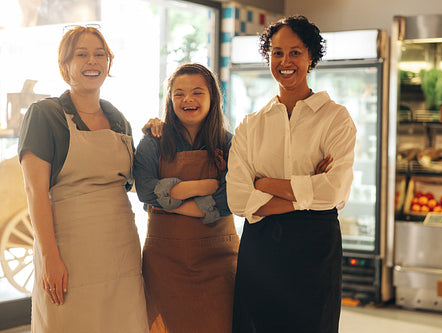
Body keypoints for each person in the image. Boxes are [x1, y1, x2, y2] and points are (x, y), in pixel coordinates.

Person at [226, 15, 357, 333]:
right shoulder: (250, 125)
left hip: (315, 249)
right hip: (261, 251)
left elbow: (334, 192)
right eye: (277, 52)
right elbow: (239, 199)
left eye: (295, 52)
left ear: (311, 56)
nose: (285, 61)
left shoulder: (335, 119)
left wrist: (266, 184)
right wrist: (307, 191)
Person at [18, 26, 148, 332]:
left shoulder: (119, 119)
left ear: (109, 64)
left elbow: (130, 184)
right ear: (65, 65)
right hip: (69, 252)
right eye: (82, 54)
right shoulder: (44, 115)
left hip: (122, 252)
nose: (92, 61)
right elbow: (34, 191)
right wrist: (50, 256)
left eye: (99, 54)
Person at [134, 63, 239, 333]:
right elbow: (144, 190)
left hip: (219, 259)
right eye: (178, 93)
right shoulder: (153, 139)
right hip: (164, 263)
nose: (187, 99)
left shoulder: (229, 143)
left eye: (197, 92)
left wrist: (169, 201)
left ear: (212, 97)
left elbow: (230, 198)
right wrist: (202, 186)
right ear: (169, 99)